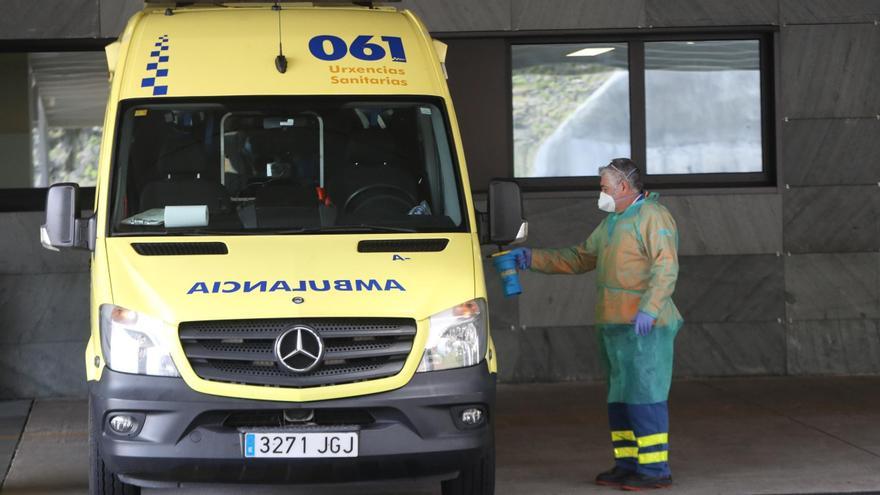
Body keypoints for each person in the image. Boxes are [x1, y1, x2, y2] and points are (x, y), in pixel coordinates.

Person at [511, 158, 682, 490]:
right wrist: (534, 259)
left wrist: (650, 308)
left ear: (623, 186)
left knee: (645, 396)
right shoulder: (613, 222)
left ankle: (654, 469)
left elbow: (666, 266)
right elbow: (580, 257)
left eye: (604, 187)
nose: (600, 193)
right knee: (621, 399)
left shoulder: (652, 216)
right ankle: (627, 464)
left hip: (645, 327)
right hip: (615, 325)